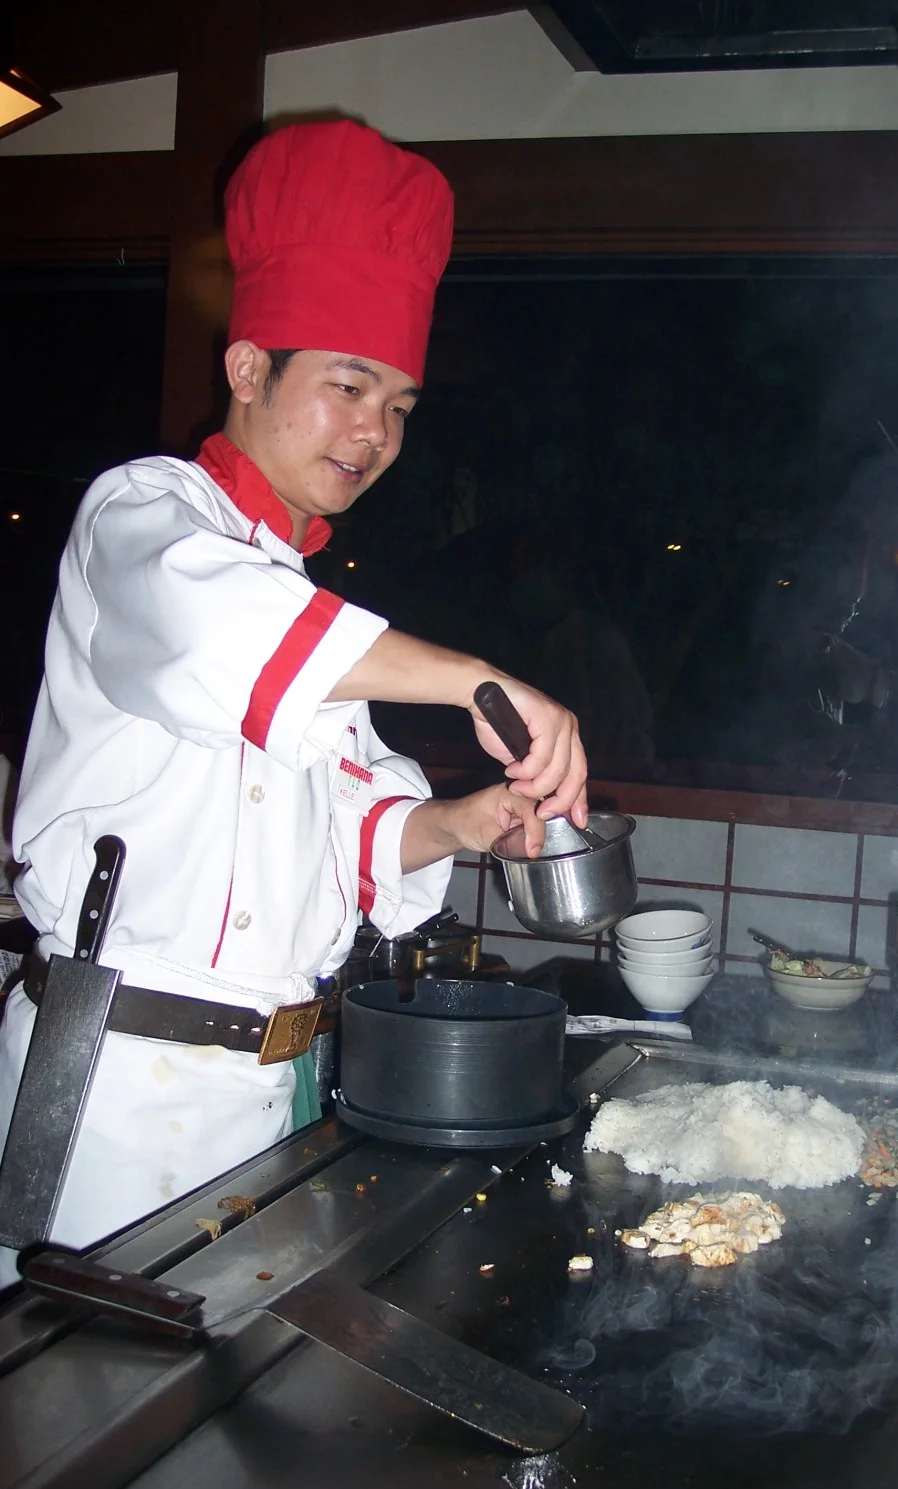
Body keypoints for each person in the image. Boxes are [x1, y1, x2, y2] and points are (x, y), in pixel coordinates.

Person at [0, 121, 588, 1287]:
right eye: (348, 385)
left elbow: (347, 834)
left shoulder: (304, 608)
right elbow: (221, 629)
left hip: (269, 1094)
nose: (377, 432)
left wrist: (465, 824)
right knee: (71, 1391)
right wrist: (477, 678)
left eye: (402, 404)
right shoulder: (144, 518)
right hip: (115, 1092)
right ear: (247, 368)